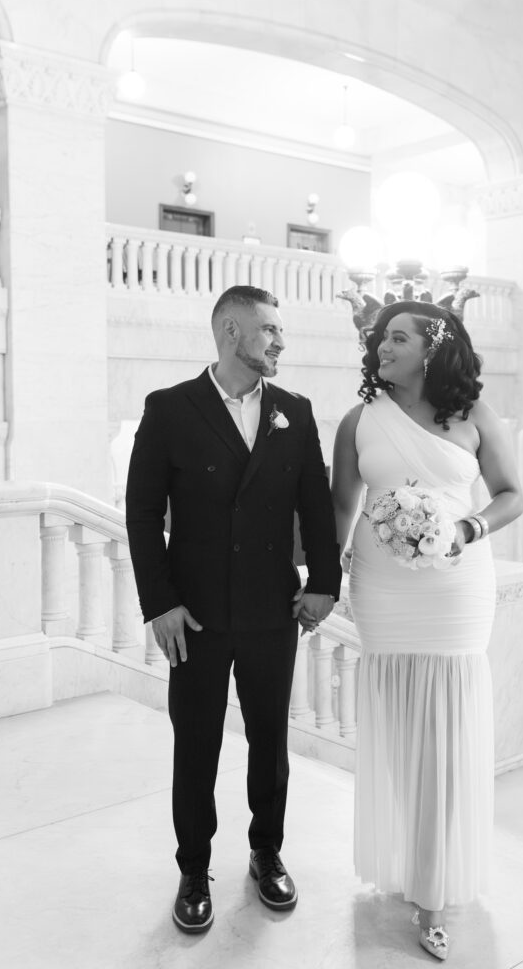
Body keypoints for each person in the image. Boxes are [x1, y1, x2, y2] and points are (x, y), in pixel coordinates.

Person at [126, 285, 341, 933]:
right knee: (195, 746)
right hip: (194, 616)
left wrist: (325, 581)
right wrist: (158, 602)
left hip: (272, 610)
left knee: (270, 742)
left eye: (279, 331)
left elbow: (316, 505)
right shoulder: (169, 409)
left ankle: (266, 853)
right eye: (269, 330)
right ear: (229, 332)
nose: (279, 341)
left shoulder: (294, 412)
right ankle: (194, 868)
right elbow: (141, 512)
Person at [331, 300, 523, 961]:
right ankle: (405, 864)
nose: (382, 346)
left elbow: (510, 493)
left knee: (444, 740)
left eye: (397, 337)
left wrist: (465, 528)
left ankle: (437, 892)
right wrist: (324, 582)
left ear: (432, 348)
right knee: (396, 733)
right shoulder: (358, 420)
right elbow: (340, 504)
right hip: (382, 592)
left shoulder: (473, 417)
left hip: (455, 589)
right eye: (380, 338)